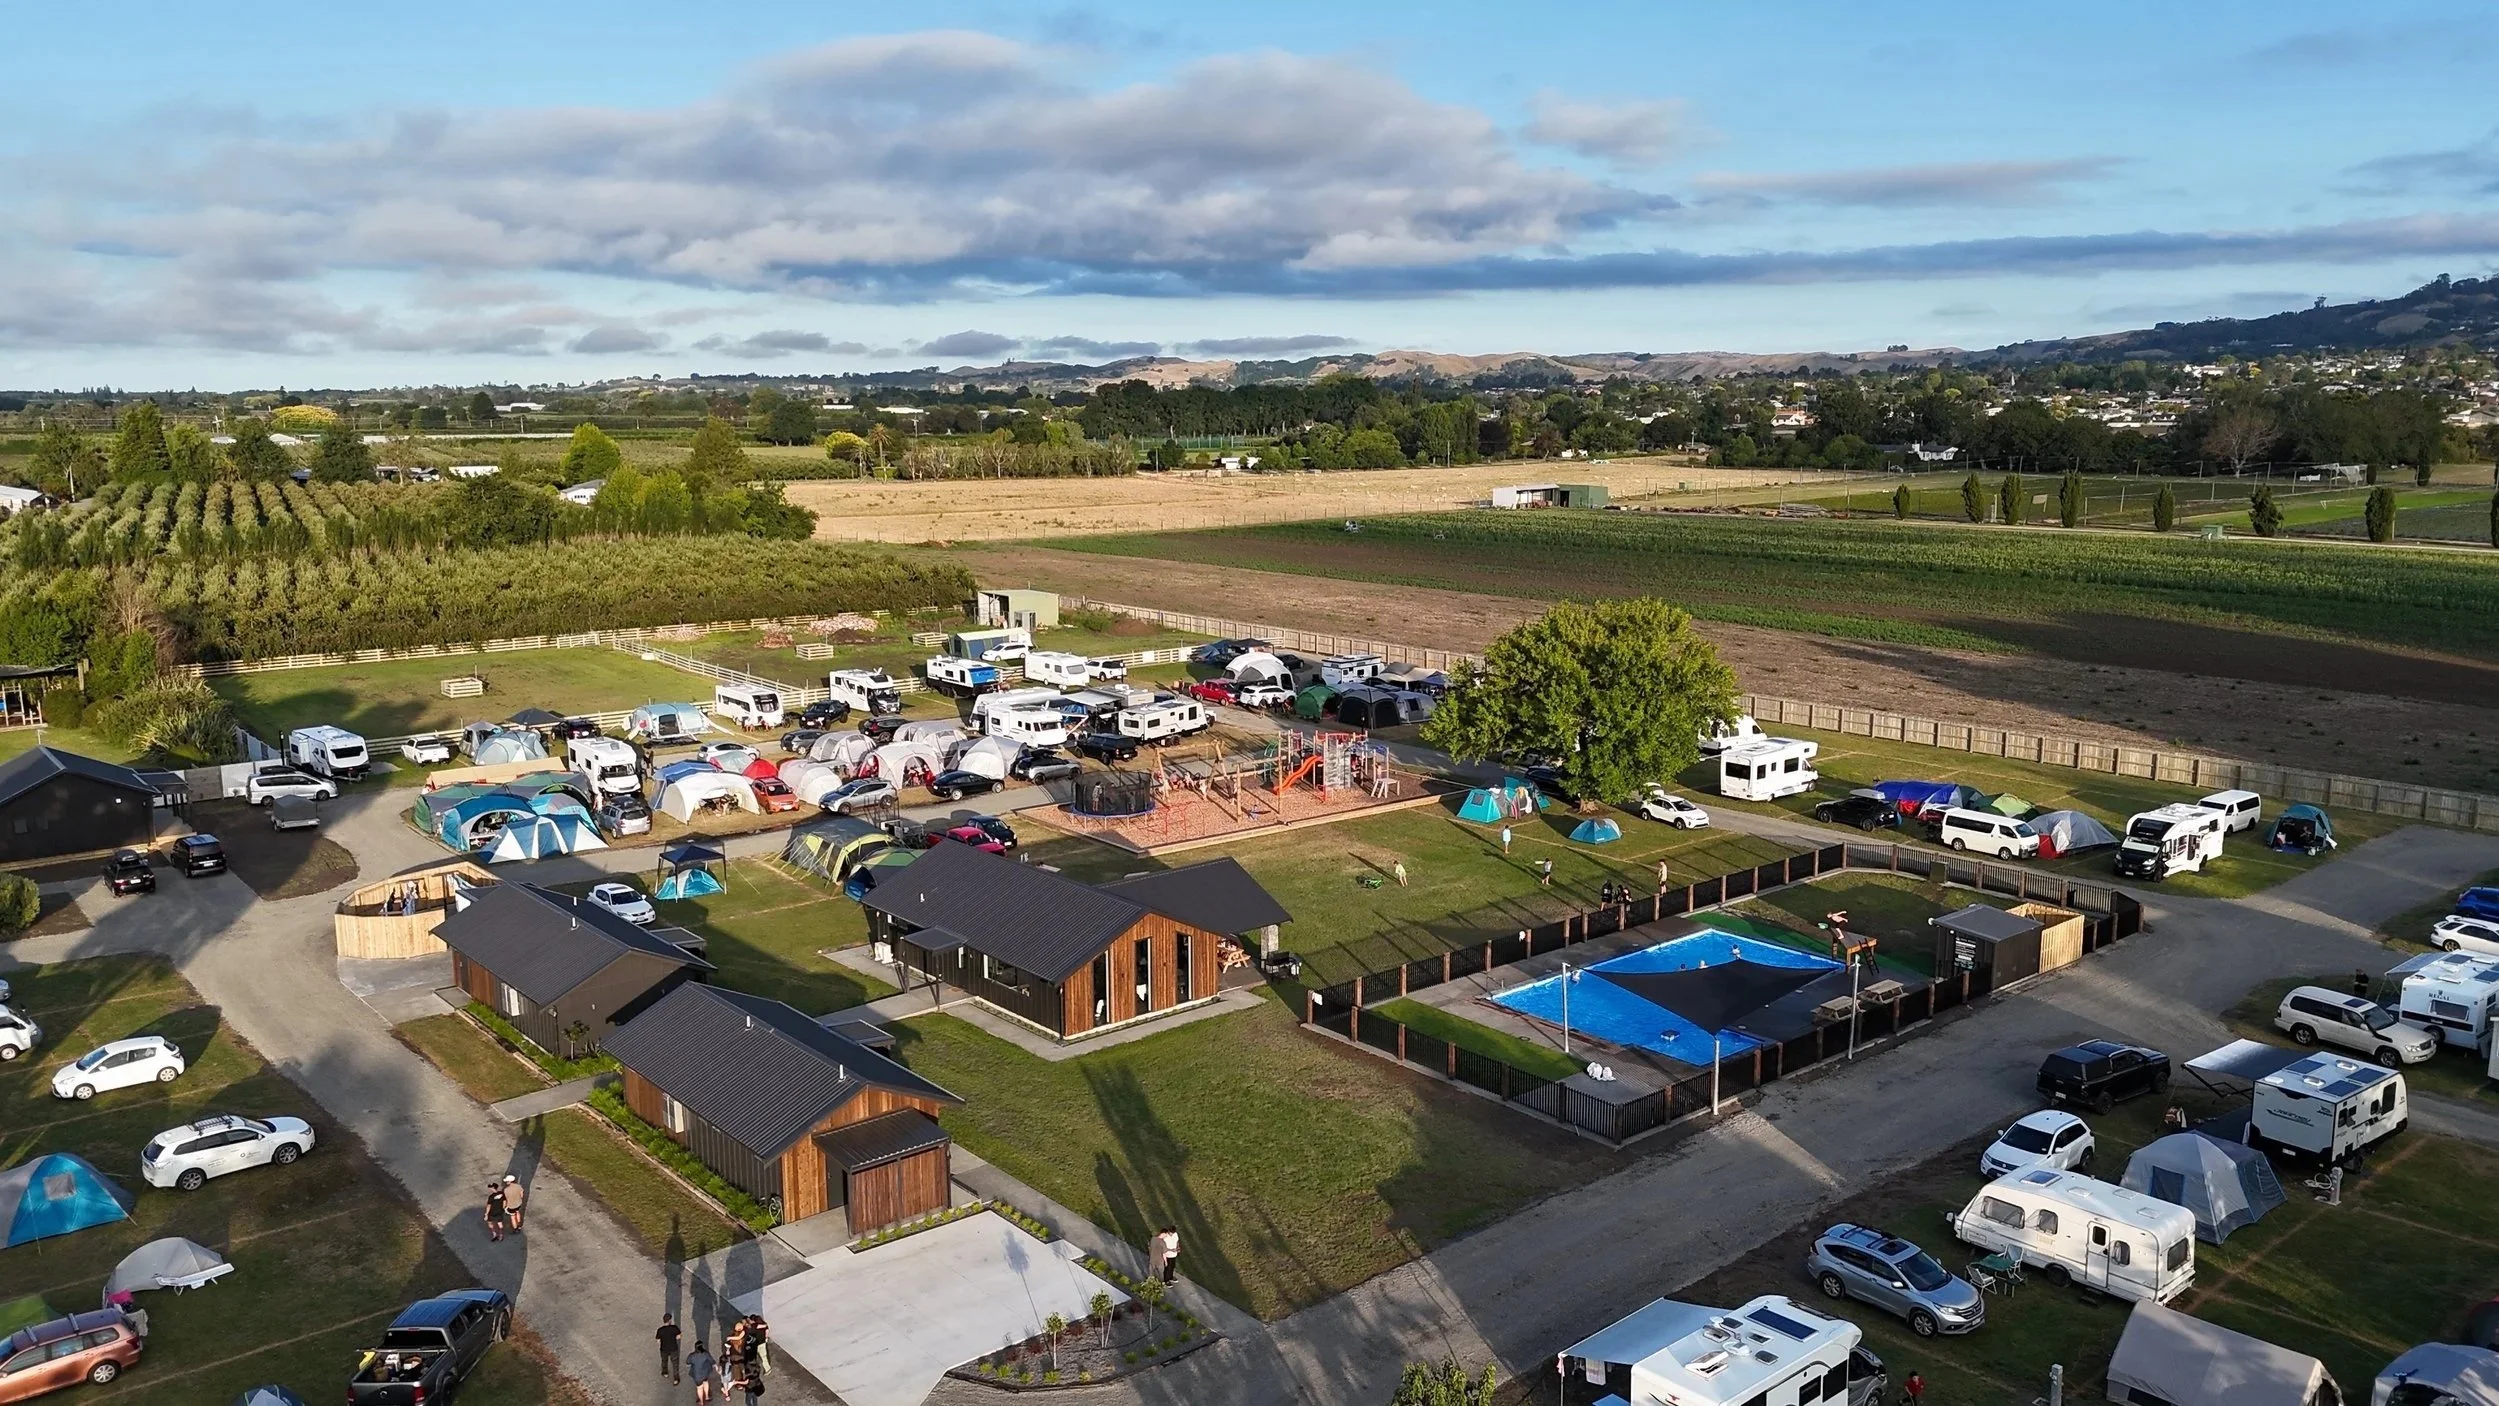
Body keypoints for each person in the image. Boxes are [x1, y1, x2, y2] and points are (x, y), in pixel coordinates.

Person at [657, 1313, 681, 1383]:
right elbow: (679, 1337)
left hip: (664, 1349)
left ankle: (665, 1372)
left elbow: (658, 1340)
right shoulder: (674, 1328)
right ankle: (676, 1379)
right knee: (675, 1364)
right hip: (673, 1348)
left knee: (664, 1361)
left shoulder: (660, 1330)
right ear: (670, 1320)